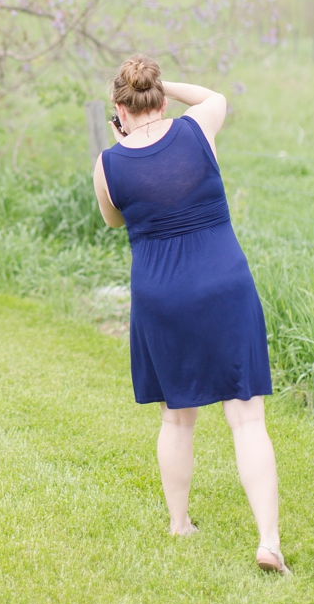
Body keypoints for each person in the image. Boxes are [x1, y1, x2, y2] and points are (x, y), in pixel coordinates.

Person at [92, 55, 286, 574]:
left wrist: (126, 134)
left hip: (162, 294)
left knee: (176, 419)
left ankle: (180, 525)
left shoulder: (107, 164)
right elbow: (212, 96)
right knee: (245, 416)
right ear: (160, 97)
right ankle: (268, 539)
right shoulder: (199, 126)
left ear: (119, 108)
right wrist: (163, 91)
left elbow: (113, 220)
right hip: (224, 282)